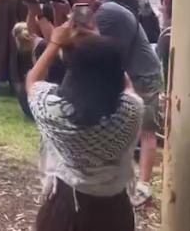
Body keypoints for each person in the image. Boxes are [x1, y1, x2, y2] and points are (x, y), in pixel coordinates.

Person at [27, 31, 143, 231]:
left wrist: (55, 42)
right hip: (114, 212)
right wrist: (103, 52)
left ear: (73, 73)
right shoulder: (130, 113)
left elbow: (32, 81)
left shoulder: (54, 113)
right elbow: (127, 87)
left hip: (65, 208)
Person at [69, 0, 164, 207]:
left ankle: (144, 186)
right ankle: (123, 181)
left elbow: (97, 48)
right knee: (125, 128)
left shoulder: (108, 13)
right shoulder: (95, 13)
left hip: (142, 76)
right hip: (124, 75)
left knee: (146, 131)